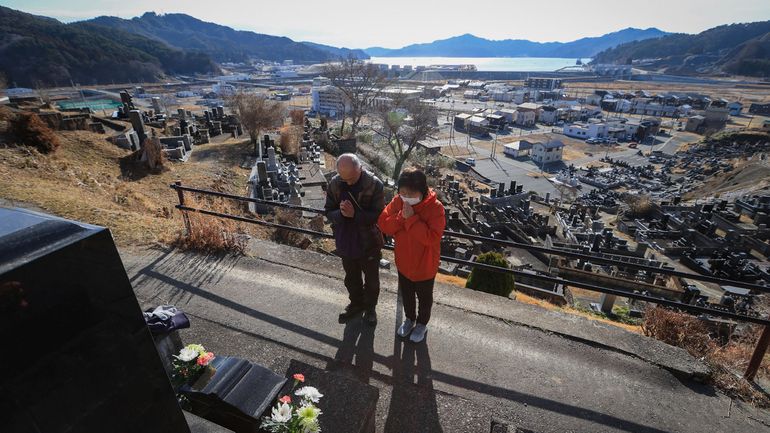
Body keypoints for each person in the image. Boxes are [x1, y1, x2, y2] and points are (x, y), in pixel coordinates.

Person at [378, 168, 445, 343]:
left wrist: (412, 219)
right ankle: (409, 319)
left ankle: (422, 324)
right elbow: (384, 224)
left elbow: (432, 238)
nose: (406, 196)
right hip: (404, 261)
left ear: (422, 190)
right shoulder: (398, 202)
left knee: (424, 297)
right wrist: (401, 217)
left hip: (425, 264)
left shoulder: (435, 208)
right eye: (402, 192)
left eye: (410, 193)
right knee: (406, 294)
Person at [325, 154, 385, 325]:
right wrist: (341, 214)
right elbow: (328, 211)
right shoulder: (336, 183)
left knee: (372, 281)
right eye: (345, 179)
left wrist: (355, 215)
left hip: (368, 241)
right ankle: (356, 304)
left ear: (360, 168)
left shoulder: (374, 185)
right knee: (351, 278)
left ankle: (370, 308)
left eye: (352, 178)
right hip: (345, 240)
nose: (348, 183)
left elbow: (379, 215)